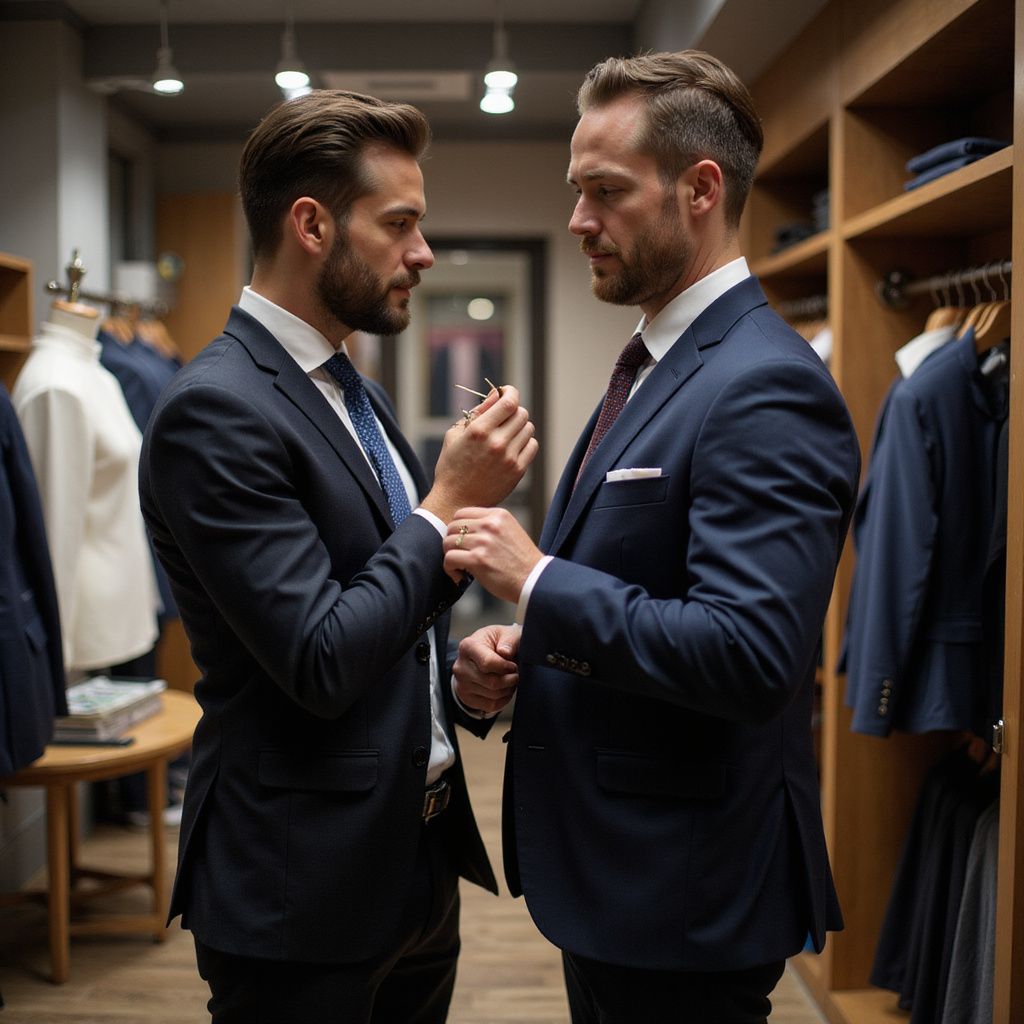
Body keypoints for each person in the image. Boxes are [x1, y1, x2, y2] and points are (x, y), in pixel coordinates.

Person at [445, 51, 861, 1024]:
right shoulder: (656, 361)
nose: (578, 221)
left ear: (700, 189)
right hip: (623, 877)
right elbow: (647, 588)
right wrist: (525, 649)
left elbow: (750, 653)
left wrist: (539, 582)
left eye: (605, 192)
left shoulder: (765, 383)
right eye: (574, 191)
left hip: (685, 890)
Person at [138, 90, 537, 1024]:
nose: (423, 252)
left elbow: (378, 599)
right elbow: (317, 656)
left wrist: (456, 674)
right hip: (298, 886)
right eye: (399, 224)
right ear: (311, 225)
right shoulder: (216, 409)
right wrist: (447, 504)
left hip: (414, 860)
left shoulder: (344, 386)